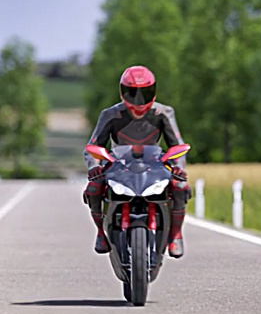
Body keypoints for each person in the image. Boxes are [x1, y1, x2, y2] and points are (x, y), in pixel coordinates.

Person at [82, 65, 191, 258]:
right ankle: (100, 232)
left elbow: (177, 145)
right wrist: (95, 167)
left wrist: (178, 168)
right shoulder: (111, 114)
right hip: (119, 167)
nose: (139, 101)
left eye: (145, 92)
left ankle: (175, 234)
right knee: (93, 188)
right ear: (122, 92)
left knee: (180, 186)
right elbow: (92, 146)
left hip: (155, 166)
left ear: (154, 91)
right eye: (133, 93)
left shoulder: (163, 113)